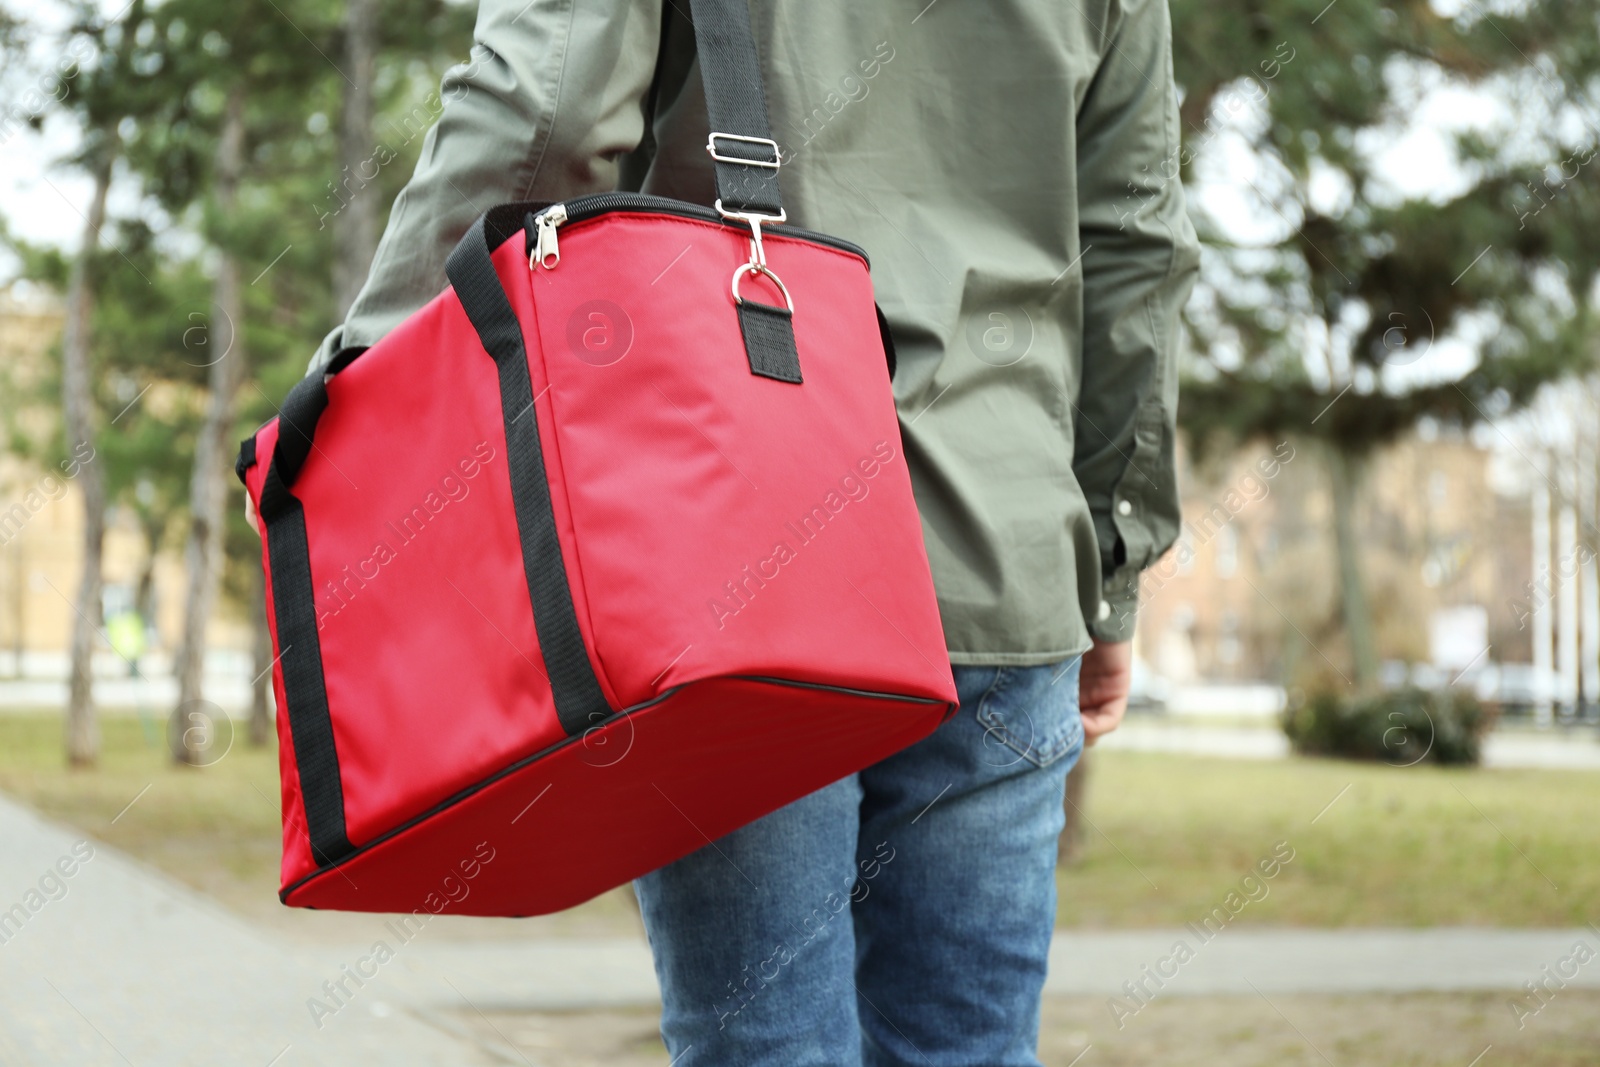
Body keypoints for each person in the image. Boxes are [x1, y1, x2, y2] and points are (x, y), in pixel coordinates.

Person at [268, 1, 1198, 1063]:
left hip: (743, 562)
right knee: (970, 1047)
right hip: (1006, 556)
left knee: (763, 1044)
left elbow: (547, 108)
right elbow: (1136, 243)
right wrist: (1112, 560)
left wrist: (362, 383)